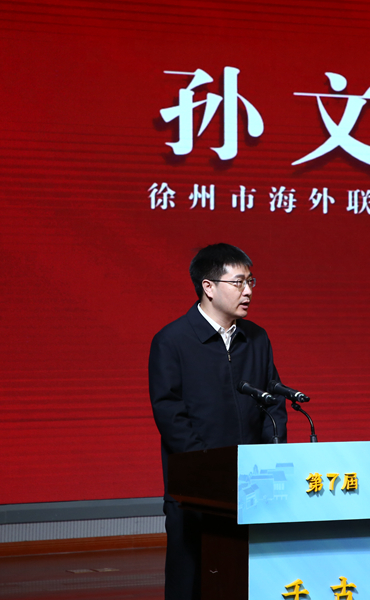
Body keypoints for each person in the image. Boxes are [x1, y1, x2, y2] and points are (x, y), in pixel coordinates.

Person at [149, 243, 287, 600]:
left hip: (252, 487)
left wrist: (271, 459)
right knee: (191, 584)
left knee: (247, 583)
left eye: (251, 281)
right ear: (208, 287)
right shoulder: (172, 341)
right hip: (195, 489)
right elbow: (170, 415)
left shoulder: (256, 338)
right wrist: (210, 468)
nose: (248, 291)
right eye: (238, 282)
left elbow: (273, 401)